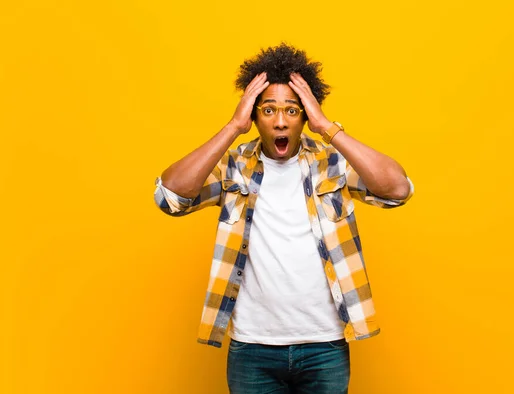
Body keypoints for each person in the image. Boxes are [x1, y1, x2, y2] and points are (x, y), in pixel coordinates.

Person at [153, 43, 414, 394]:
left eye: (292, 110)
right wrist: (232, 127)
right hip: (252, 347)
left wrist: (326, 128)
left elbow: (397, 188)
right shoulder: (234, 167)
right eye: (269, 109)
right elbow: (169, 197)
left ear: (305, 116)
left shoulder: (331, 163)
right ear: (255, 116)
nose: (280, 120)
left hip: (326, 344)